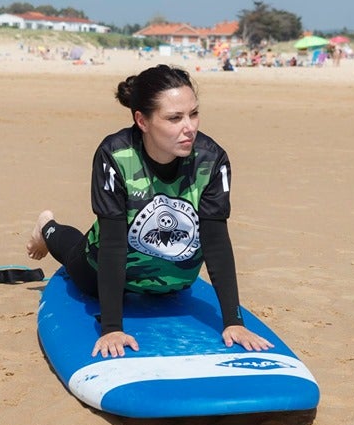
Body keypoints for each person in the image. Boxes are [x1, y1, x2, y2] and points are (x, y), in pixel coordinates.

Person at [27, 64, 273, 359]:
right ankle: (47, 227)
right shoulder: (116, 155)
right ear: (142, 121)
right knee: (75, 258)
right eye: (174, 118)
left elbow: (216, 242)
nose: (190, 127)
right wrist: (112, 327)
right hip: (101, 268)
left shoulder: (211, 159)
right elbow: (113, 244)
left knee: (173, 285)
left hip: (171, 278)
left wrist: (234, 322)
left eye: (193, 113)